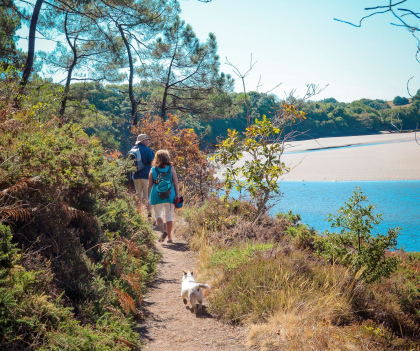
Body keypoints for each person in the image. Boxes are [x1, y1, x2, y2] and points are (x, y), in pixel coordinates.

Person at [148, 150, 179, 243]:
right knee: (169, 216)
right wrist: (177, 195)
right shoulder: (171, 169)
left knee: (158, 215)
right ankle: (169, 238)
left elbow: (149, 185)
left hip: (157, 196)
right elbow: (176, 183)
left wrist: (148, 197)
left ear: (157, 158)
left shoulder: (153, 169)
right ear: (167, 157)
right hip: (170, 195)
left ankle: (163, 231)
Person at [130, 134, 154, 217]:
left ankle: (138, 215)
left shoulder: (133, 149)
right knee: (148, 195)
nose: (148, 142)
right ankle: (149, 215)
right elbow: (153, 162)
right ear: (143, 141)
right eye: (147, 140)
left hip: (135, 176)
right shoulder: (147, 150)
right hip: (146, 176)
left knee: (138, 195)